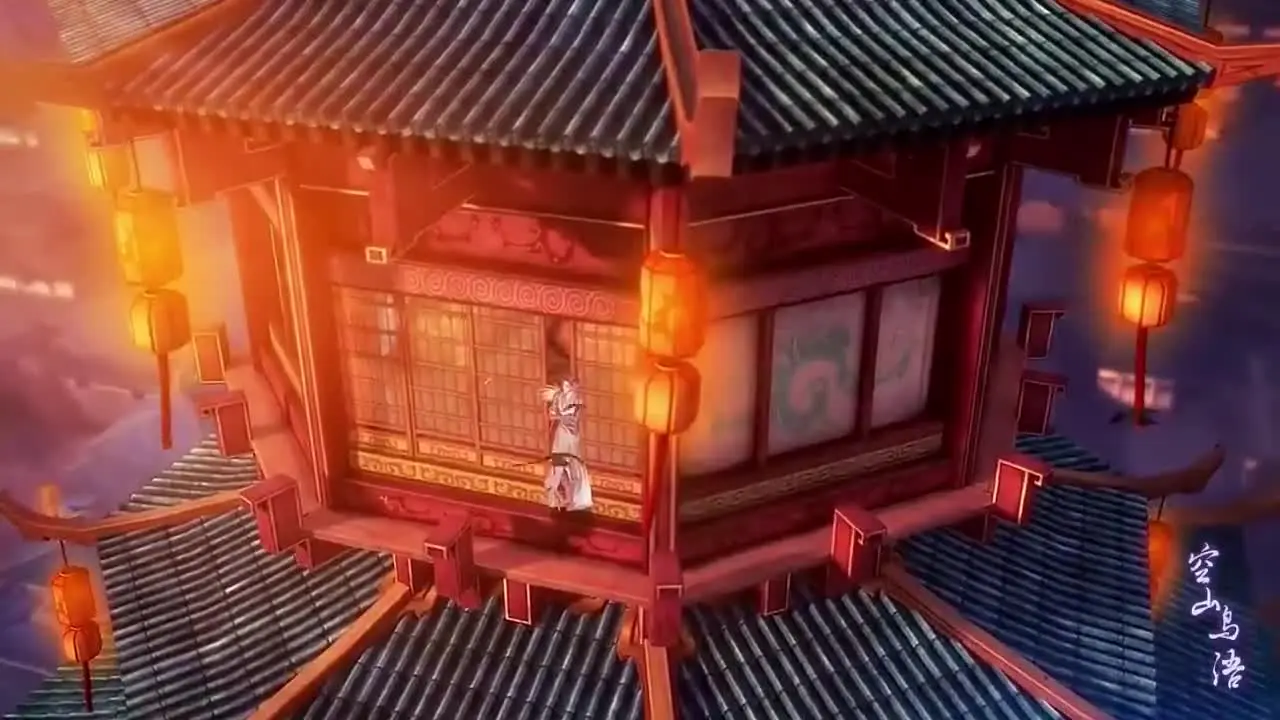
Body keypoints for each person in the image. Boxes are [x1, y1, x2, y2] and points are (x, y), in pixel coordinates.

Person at [539, 378, 593, 511]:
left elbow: (569, 417)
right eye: (565, 385)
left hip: (569, 435)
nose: (566, 387)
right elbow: (553, 414)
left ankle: (571, 498)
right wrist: (555, 408)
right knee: (559, 466)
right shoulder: (561, 397)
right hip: (561, 433)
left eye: (569, 385)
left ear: (575, 386)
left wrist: (558, 410)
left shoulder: (575, 399)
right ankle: (561, 497)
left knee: (570, 466)